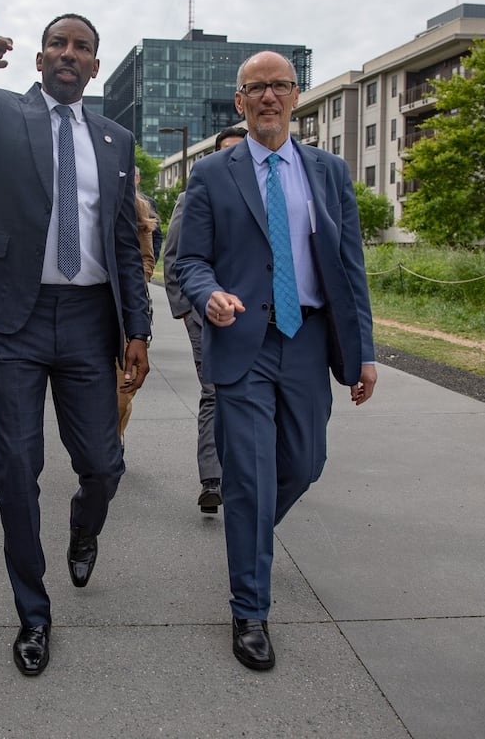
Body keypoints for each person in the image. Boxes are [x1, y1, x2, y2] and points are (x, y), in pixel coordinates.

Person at [0, 8, 151, 677]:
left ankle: (85, 526)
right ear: (38, 59)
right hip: (13, 319)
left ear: (93, 64)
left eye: (81, 47)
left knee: (103, 463)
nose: (68, 52)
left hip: (88, 320)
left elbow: (121, 240)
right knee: (16, 469)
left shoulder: (115, 140)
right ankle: (34, 614)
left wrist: (136, 327)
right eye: (57, 42)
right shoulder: (0, 111)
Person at [174, 52, 377, 673]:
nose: (268, 97)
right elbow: (185, 261)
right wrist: (210, 296)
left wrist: (363, 351)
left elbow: (349, 266)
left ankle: (249, 530)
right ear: (239, 101)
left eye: (279, 87)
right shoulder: (212, 174)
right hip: (244, 343)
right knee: (253, 478)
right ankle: (250, 608)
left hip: (310, 341)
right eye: (255, 88)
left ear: (296, 96)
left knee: (306, 464)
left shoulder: (328, 171)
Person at [162, 125, 246, 514]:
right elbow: (174, 254)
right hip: (203, 314)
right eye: (226, 152)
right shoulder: (192, 196)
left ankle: (248, 472)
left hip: (254, 315)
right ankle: (211, 480)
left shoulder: (263, 198)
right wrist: (183, 309)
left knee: (250, 393)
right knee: (214, 391)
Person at [115, 188, 159, 445]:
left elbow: (147, 260)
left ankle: (115, 438)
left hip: (124, 314)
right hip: (85, 311)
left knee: (122, 393)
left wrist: (129, 283)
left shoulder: (138, 208)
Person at [134, 166, 163, 263]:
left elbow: (157, 234)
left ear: (137, 179)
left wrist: (150, 264)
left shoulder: (147, 203)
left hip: (142, 264)